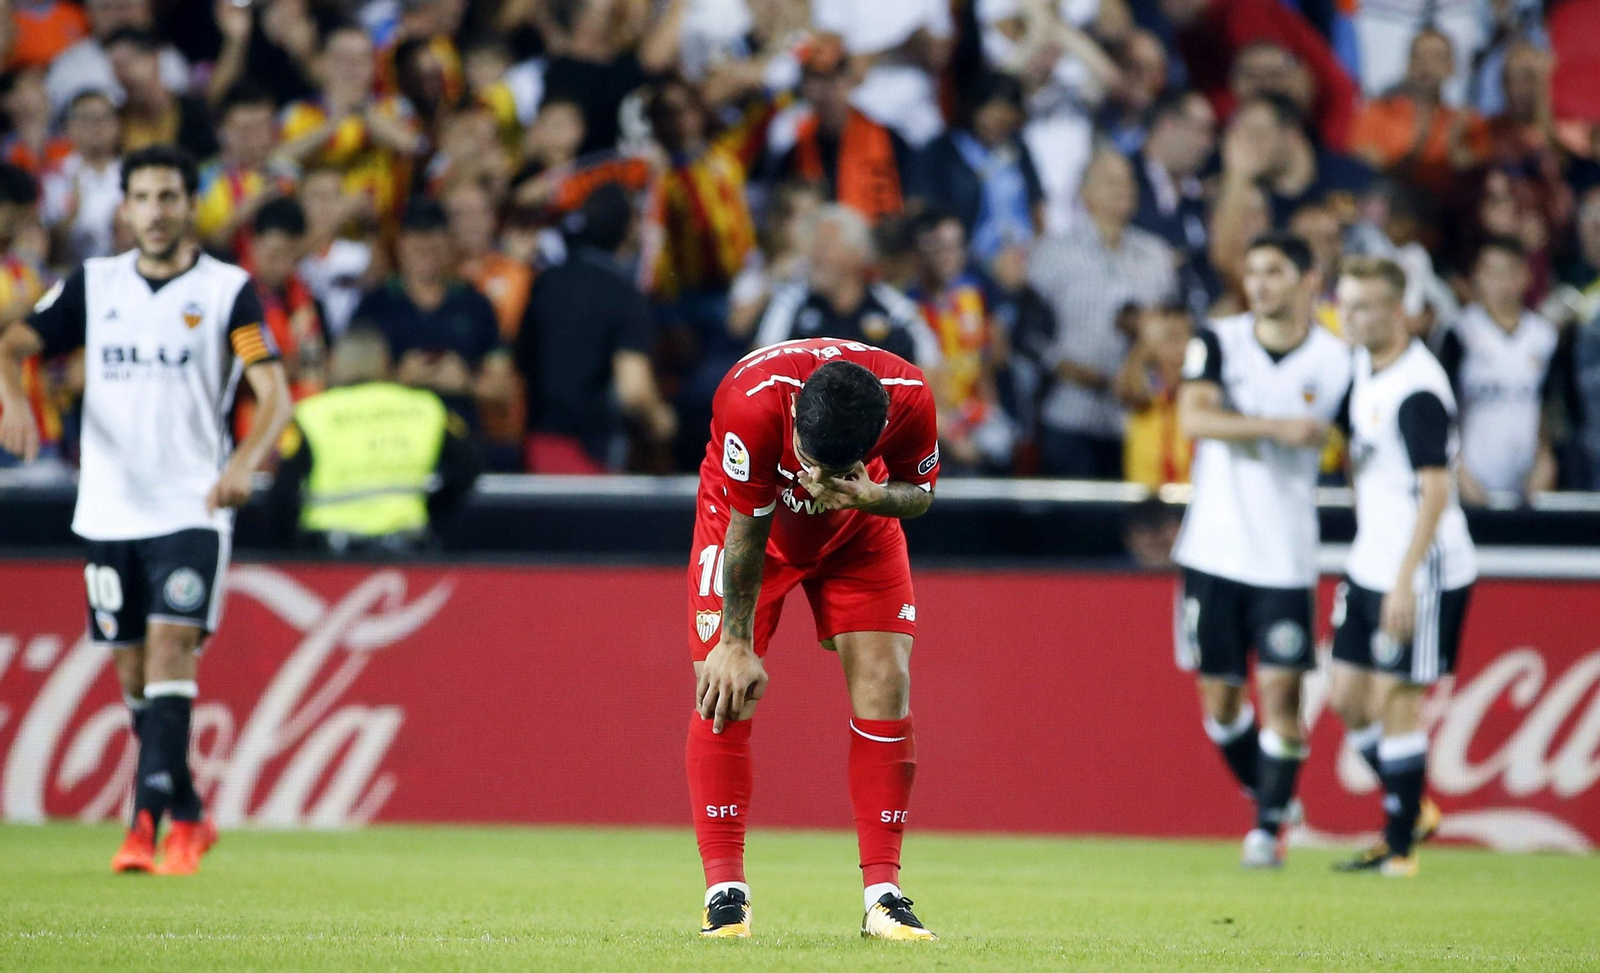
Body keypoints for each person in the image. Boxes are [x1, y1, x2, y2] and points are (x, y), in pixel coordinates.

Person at [0, 144, 292, 874]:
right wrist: (14, 405)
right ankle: (189, 811)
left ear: (191, 205)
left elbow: (275, 391)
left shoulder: (229, 292)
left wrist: (240, 465)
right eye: (143, 199)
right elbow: (12, 345)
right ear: (124, 208)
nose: (156, 213)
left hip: (190, 505)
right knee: (135, 676)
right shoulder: (93, 286)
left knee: (170, 650)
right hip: (108, 508)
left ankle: (143, 826)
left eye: (169, 197)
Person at [688, 339, 940, 941]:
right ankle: (725, 893)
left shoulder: (909, 399)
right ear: (797, 413)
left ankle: (884, 897)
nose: (813, 477)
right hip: (749, 525)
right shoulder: (751, 403)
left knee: (888, 682)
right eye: (806, 456)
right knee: (727, 686)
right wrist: (737, 640)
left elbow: (921, 493)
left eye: (833, 467)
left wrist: (873, 496)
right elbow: (748, 529)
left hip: (859, 529)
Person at [1170, 233, 1351, 867]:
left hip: (1285, 557)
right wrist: (1277, 429)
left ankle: (1266, 830)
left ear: (1308, 278)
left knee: (1281, 698)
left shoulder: (1337, 359)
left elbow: (1362, 443)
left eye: (1274, 271)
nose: (1260, 284)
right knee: (1220, 704)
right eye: (1252, 271)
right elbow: (1192, 419)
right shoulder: (1220, 340)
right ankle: (1273, 797)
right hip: (1214, 552)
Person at [1327, 256, 1476, 878]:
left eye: (1362, 307)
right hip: (1370, 560)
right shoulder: (1363, 365)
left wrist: (1404, 578)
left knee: (1395, 701)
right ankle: (1410, 810)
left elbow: (1436, 491)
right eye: (1345, 304)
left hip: (1422, 568)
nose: (1350, 317)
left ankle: (1400, 849)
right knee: (1345, 698)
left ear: (1395, 312)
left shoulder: (1417, 387)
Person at [1028, 144, 1176, 479]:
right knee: (1075, 525)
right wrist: (1064, 368)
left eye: (1128, 181)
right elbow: (1028, 332)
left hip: (1138, 416)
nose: (1123, 189)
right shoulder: (1053, 253)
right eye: (1110, 181)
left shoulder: (1156, 255)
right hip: (1069, 411)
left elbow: (1172, 327)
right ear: (1084, 192)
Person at [267, 326, 478, 553]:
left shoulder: (312, 414)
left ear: (335, 362)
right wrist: (432, 510)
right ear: (385, 362)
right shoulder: (426, 408)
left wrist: (292, 549)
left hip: (330, 554)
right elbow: (468, 468)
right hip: (407, 550)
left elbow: (282, 495)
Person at [514, 182, 676, 472]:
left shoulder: (546, 282)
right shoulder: (625, 295)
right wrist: (661, 421)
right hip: (592, 454)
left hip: (537, 447)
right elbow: (634, 391)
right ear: (627, 231)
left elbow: (522, 363)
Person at [350, 198, 514, 433]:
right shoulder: (374, 306)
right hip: (393, 439)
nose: (426, 252)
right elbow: (348, 384)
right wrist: (398, 379)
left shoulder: (475, 304)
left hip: (459, 440)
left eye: (434, 244)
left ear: (449, 245)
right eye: (418, 244)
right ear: (401, 244)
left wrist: (465, 383)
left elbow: (503, 388)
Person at [1439, 237, 1560, 505]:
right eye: (1491, 272)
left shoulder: (1544, 337)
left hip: (1527, 486)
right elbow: (1443, 409)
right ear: (1478, 276)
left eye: (1508, 272)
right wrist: (1458, 470)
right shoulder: (1460, 333)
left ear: (1525, 276)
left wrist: (1545, 462)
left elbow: (1550, 408)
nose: (1500, 283)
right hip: (1470, 483)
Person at [752, 203, 941, 371]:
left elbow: (932, 369)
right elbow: (758, 367)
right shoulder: (790, 302)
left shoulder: (894, 308)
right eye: (814, 246)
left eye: (826, 246)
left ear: (857, 254)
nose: (816, 256)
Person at [905, 208, 1013, 474]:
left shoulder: (973, 297)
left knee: (1003, 441)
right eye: (940, 247)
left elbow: (986, 363)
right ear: (922, 250)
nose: (949, 257)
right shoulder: (905, 308)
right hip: (928, 422)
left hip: (972, 414)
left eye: (956, 247)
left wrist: (990, 408)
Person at [769, 33, 911, 225]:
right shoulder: (793, 153)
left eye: (835, 78)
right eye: (817, 80)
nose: (827, 91)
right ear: (804, 88)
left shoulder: (891, 142)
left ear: (851, 81)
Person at [907, 71, 1044, 265]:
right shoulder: (943, 151)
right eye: (993, 119)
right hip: (968, 259)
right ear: (974, 110)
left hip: (1024, 256)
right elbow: (918, 207)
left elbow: (1037, 205)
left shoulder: (1017, 149)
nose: (998, 128)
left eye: (1006, 122)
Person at [1350, 29, 1488, 200]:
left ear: (1451, 67)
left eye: (1436, 57)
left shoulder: (1468, 122)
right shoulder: (1379, 112)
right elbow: (1362, 161)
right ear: (1407, 65)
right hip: (1390, 205)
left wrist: (1456, 150)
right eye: (1418, 56)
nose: (1426, 64)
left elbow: (1476, 173)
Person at [194, 83, 294, 261]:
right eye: (246, 130)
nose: (257, 139)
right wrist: (253, 204)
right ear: (222, 132)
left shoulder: (289, 172)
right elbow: (206, 245)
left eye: (263, 127)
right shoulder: (203, 179)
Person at [104, 28, 217, 160]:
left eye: (128, 63)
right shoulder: (115, 121)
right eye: (116, 66)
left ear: (155, 58)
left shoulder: (195, 112)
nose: (124, 74)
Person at [1114, 304, 1193, 489]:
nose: (1182, 347)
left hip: (1193, 499)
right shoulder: (1147, 385)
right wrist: (1144, 345)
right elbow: (1127, 391)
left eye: (1187, 336)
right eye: (1172, 338)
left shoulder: (1201, 386)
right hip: (1147, 501)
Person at [40, 89, 123, 263]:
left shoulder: (131, 173)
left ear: (117, 124)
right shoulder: (55, 176)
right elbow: (48, 243)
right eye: (85, 118)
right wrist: (72, 215)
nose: (96, 126)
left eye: (104, 117)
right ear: (68, 127)